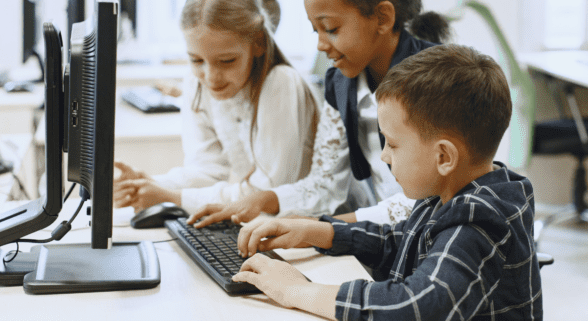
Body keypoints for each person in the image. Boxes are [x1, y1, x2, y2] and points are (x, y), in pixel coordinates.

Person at [232, 44, 543, 320]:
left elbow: (415, 307)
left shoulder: (478, 221)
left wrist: (297, 291)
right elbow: (403, 241)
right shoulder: (450, 192)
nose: (384, 156)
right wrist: (318, 231)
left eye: (392, 144)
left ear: (444, 157)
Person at [188, 0, 450, 228]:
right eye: (316, 30)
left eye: (332, 29)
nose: (321, 45)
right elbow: (324, 185)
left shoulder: (439, 79)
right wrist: (261, 201)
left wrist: (325, 229)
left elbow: (427, 202)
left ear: (382, 17)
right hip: (385, 239)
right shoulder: (340, 83)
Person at [113, 0, 319, 214]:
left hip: (310, 225)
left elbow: (264, 195)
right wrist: (150, 184)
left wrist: (172, 197)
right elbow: (208, 170)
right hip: (266, 226)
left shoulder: (281, 84)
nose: (210, 77)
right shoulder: (196, 82)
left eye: (227, 61)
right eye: (196, 60)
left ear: (258, 43)